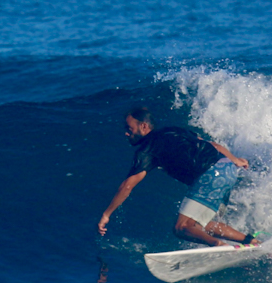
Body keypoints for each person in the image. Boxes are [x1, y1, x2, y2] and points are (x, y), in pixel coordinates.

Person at [97, 105, 257, 247]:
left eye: (129, 128)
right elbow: (213, 145)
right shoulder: (173, 130)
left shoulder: (147, 149)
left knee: (182, 227)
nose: (126, 133)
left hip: (210, 175)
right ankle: (249, 241)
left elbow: (127, 186)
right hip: (227, 168)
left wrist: (106, 214)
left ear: (143, 126)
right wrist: (235, 160)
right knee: (201, 224)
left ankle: (218, 245)